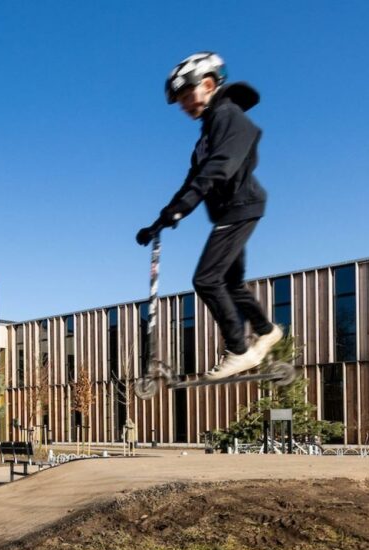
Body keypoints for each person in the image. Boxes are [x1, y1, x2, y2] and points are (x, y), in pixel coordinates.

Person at [136, 51, 283, 380]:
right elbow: (191, 182)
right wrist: (160, 221)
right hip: (232, 212)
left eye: (187, 96)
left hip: (239, 207)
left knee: (206, 279)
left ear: (207, 84)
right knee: (230, 283)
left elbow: (219, 169)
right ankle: (266, 329)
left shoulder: (230, 117)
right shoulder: (205, 136)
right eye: (180, 101)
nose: (184, 105)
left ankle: (239, 350)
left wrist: (180, 210)